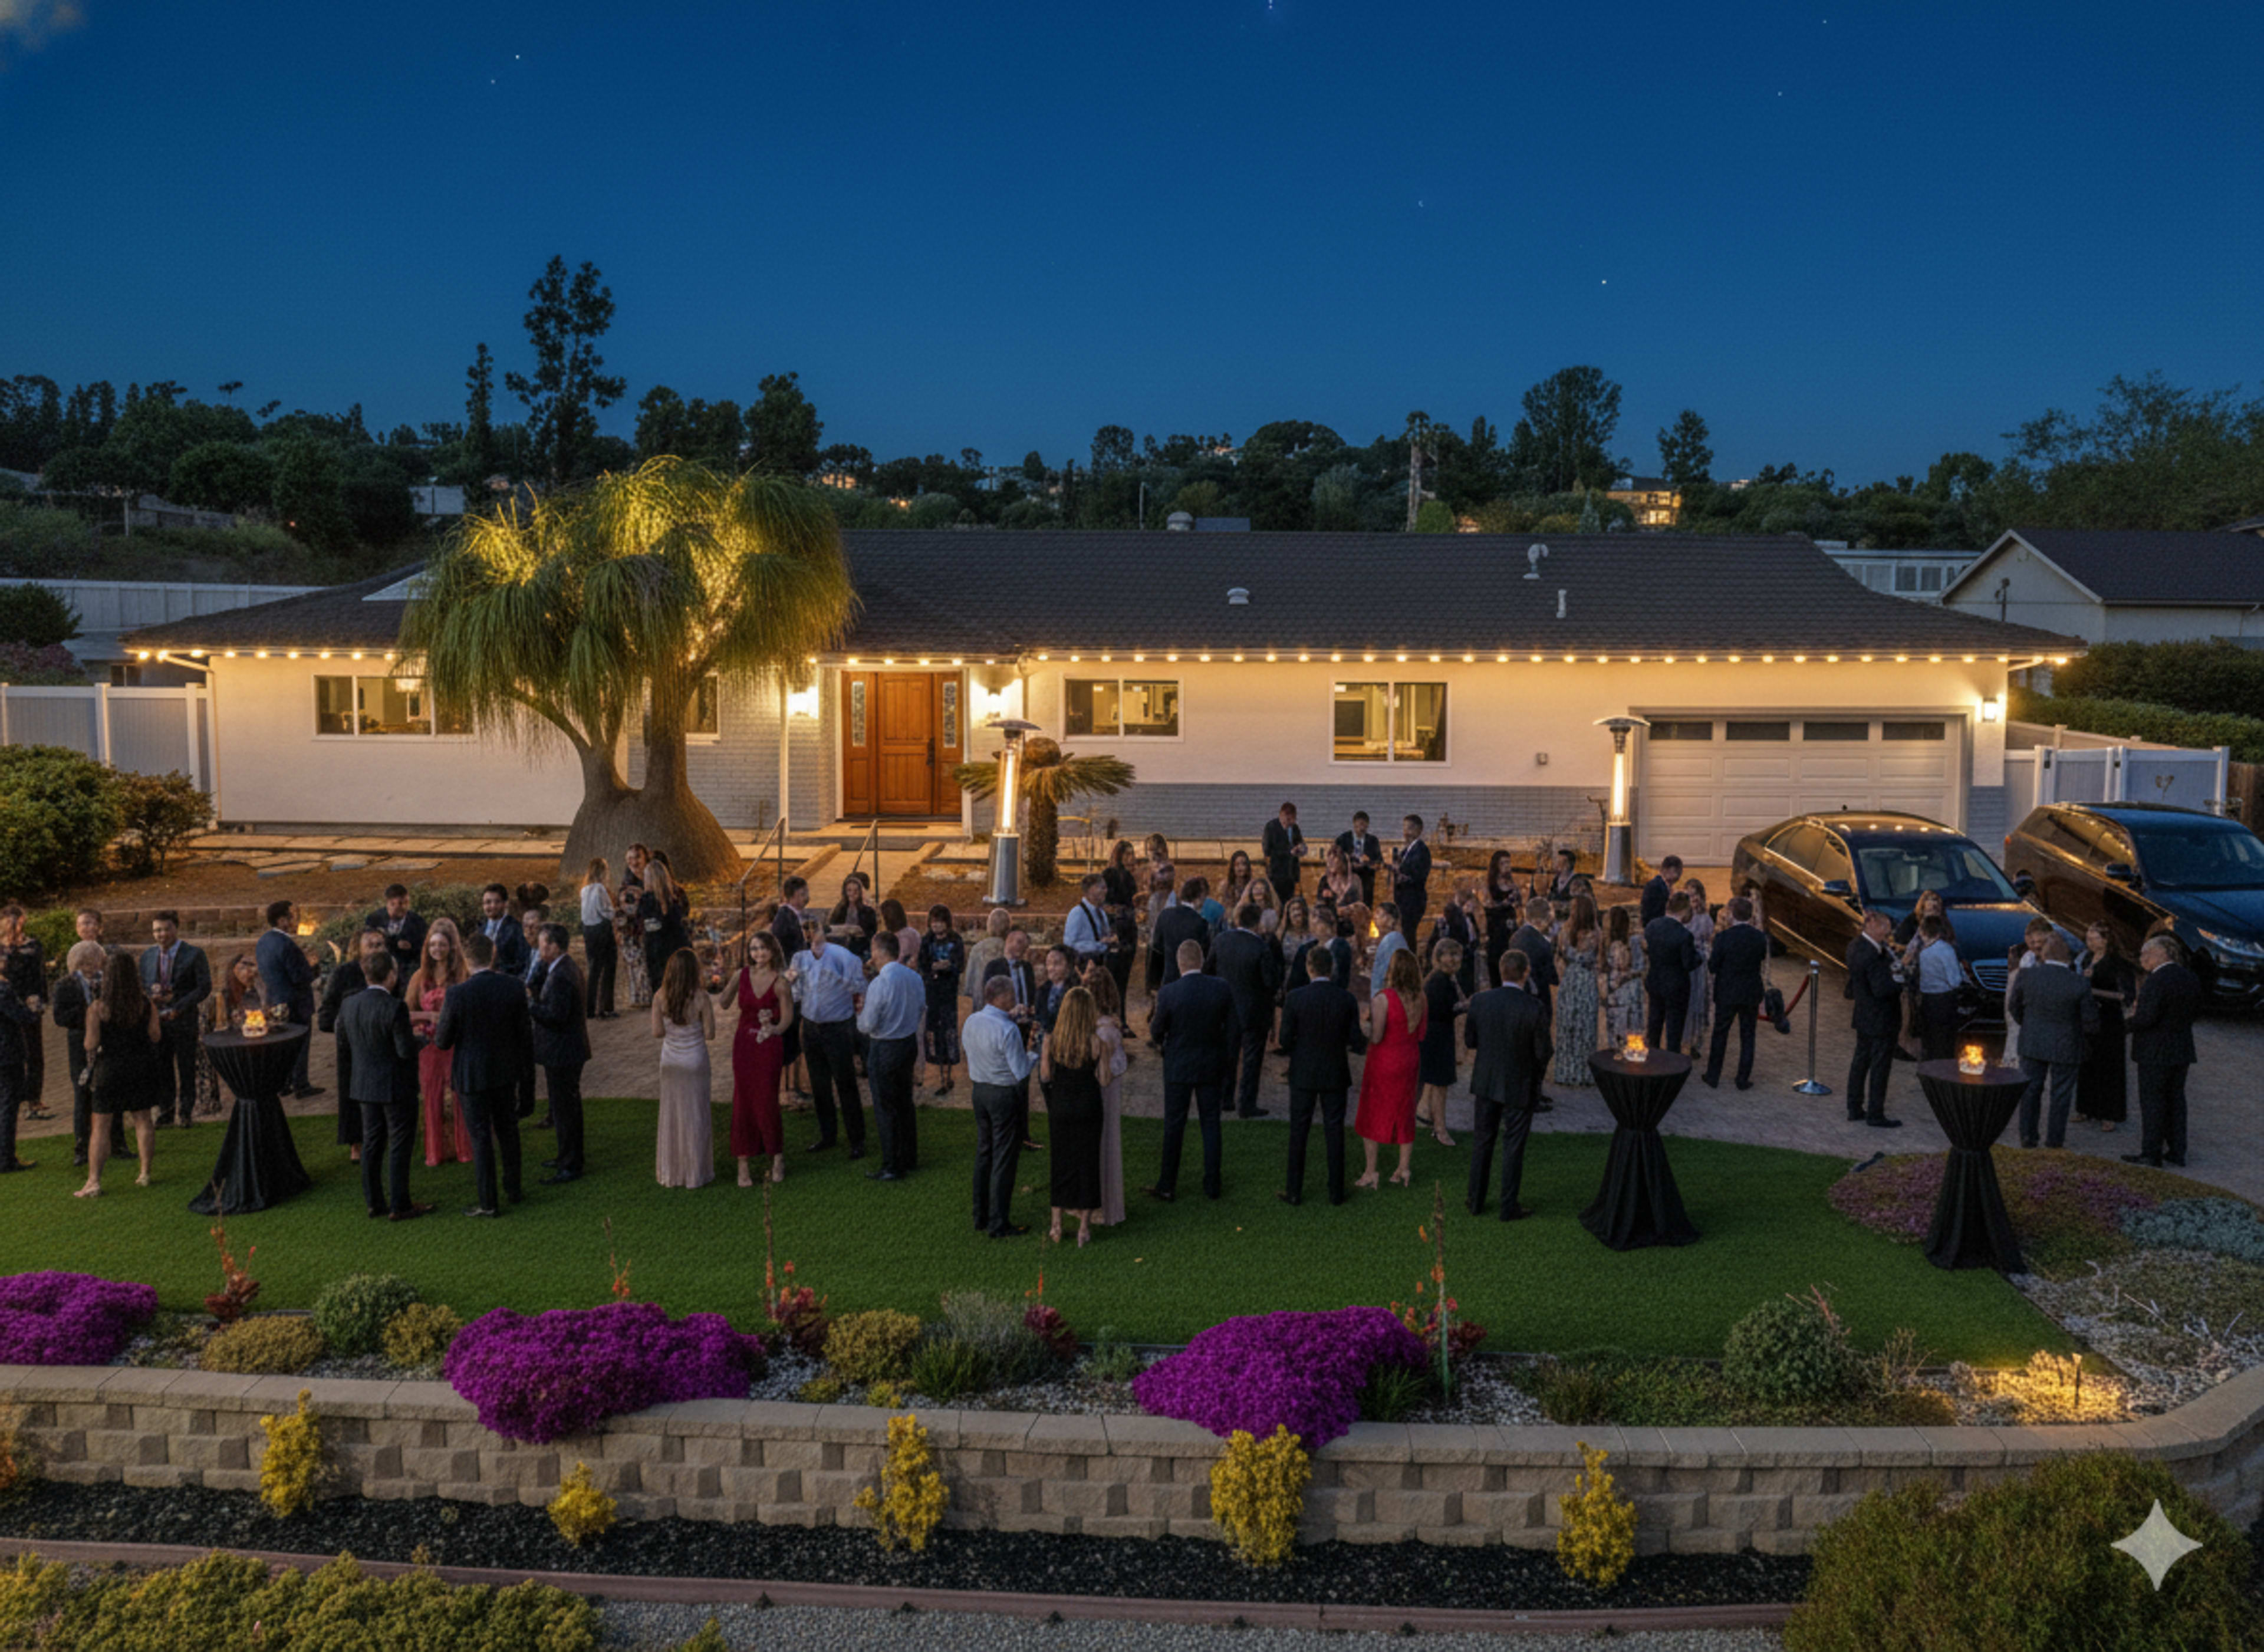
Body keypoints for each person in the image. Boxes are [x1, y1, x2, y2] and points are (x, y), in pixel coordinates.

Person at [433, 932, 534, 1217]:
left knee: (480, 1137)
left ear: (466, 959)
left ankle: (488, 1201)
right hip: (505, 1072)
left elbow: (443, 1041)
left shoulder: (457, 994)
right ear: (493, 955)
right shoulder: (513, 988)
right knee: (508, 1131)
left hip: (471, 1075)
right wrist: (527, 1082)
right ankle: (513, 1189)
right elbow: (526, 1038)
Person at [337, 950, 432, 1222]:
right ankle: (400, 1205)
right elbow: (404, 1051)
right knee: (400, 1144)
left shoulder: (349, 1005)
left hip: (365, 1085)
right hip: (395, 1086)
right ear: (391, 975)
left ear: (367, 975)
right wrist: (422, 1041)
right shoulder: (394, 1007)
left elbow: (344, 1043)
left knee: (372, 1143)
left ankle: (374, 1202)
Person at [1146, 937, 1239, 1202]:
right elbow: (1234, 1027)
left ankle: (1167, 1184)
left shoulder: (1169, 992)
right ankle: (1212, 1184)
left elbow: (1156, 1030)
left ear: (1179, 963)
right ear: (1201, 960)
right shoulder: (1221, 988)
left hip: (1178, 1066)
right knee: (1211, 1124)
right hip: (1211, 1064)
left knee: (1174, 1125)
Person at [1275, 943, 1367, 1206]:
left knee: (1299, 1131)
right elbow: (1355, 1040)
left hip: (1304, 1072)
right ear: (1332, 968)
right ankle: (1336, 1192)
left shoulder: (1295, 998)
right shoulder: (1346, 999)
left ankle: (1294, 1191)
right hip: (1335, 1071)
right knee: (1334, 1130)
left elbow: (1284, 1039)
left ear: (1309, 967)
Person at [1465, 950, 1551, 1220]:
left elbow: (1470, 1041)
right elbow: (1544, 1051)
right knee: (1514, 1145)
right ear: (1525, 973)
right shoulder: (1534, 1007)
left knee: (1483, 1142)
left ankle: (1476, 1200)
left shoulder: (1480, 1001)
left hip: (1487, 1080)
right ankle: (1508, 1205)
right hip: (1519, 1082)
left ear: (1501, 971)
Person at [77, 955, 159, 1195]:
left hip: (110, 1068)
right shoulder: (145, 1004)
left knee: (101, 1125)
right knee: (143, 1119)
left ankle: (94, 1181)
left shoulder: (98, 1007)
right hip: (141, 1066)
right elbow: (156, 1036)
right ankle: (144, 1172)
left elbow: (90, 1044)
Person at [2009, 936, 2097, 1151]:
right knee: (2061, 1095)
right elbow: (2090, 1021)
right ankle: (2054, 1141)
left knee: (2030, 1091)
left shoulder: (2027, 976)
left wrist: (2028, 1025)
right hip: (2066, 1043)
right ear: (2068, 958)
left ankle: (2028, 1137)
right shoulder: (2079, 983)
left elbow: (2014, 1007)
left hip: (2033, 1041)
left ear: (2044, 955)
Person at [965, 976, 1036, 1237]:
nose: (1016, 998)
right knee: (1004, 1158)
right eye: (1012, 994)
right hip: (1003, 1094)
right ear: (1002, 997)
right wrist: (1035, 1055)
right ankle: (998, 1222)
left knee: (985, 1152)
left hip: (979, 1091)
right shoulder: (1007, 1030)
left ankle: (980, 1215)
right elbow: (1020, 1072)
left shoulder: (972, 1021)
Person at [2123, 936, 2200, 1169]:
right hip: (2181, 1048)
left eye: (2146, 954)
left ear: (2162, 954)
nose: (2142, 959)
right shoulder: (2190, 978)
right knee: (2176, 1100)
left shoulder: (2156, 981)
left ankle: (2151, 1153)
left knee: (2153, 1102)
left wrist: (2125, 1025)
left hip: (2155, 1051)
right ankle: (2177, 1150)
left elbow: (2147, 1018)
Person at [791, 924, 867, 1158]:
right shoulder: (799, 958)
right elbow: (795, 991)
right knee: (819, 1084)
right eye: (807, 932)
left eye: (814, 931)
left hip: (837, 1028)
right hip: (811, 1027)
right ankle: (828, 1135)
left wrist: (840, 980)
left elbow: (860, 985)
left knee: (845, 1084)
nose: (810, 936)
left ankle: (857, 1140)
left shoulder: (845, 958)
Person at [1353, 947, 1426, 1189]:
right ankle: (1403, 1168)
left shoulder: (1383, 999)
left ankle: (1371, 1171)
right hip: (1410, 1058)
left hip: (1385, 1060)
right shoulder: (1421, 999)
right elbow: (1422, 1034)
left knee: (1372, 1111)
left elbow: (1376, 1037)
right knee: (1405, 1109)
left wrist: (1364, 1022)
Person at [1040, 986, 1107, 1246]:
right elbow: (1104, 1079)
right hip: (1089, 1106)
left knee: (1061, 1161)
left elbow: (1046, 1076)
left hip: (1061, 1107)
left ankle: (1056, 1226)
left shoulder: (1052, 1041)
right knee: (1088, 1163)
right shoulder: (1095, 1042)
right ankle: (1083, 1228)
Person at [857, 930, 924, 1182]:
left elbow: (867, 1025)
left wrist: (859, 1016)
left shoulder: (880, 984)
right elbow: (920, 1008)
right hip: (907, 1044)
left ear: (877, 951)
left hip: (885, 1047)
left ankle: (892, 1165)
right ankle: (909, 1156)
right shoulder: (914, 978)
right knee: (905, 1101)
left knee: (886, 1107)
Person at [728, 931, 794, 1187]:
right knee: (742, 1101)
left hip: (768, 1046)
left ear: (773, 951)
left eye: (763, 949)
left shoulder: (780, 982)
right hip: (744, 1044)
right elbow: (723, 1002)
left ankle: (777, 1157)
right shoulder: (741, 975)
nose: (759, 954)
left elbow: (787, 1018)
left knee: (766, 1100)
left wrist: (774, 1029)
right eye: (754, 949)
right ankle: (742, 1165)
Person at [317, 929, 388, 1160]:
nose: (377, 949)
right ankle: (355, 1143)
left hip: (382, 1045)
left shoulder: (389, 970)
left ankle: (382, 1134)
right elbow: (326, 1016)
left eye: (380, 944)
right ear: (358, 948)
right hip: (353, 1048)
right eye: (372, 945)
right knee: (351, 1094)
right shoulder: (344, 974)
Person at [406, 920, 473, 1167]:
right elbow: (407, 1012)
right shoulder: (419, 977)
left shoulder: (463, 975)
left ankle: (464, 1149)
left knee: (460, 1097)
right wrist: (428, 1018)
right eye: (433, 944)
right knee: (432, 1097)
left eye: (442, 944)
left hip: (457, 1045)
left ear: (451, 946)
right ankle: (435, 1153)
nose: (437, 949)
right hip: (430, 1047)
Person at [648, 949, 715, 1189]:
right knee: (696, 1114)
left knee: (672, 1114)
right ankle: (696, 1173)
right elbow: (710, 1034)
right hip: (695, 1059)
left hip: (671, 1061)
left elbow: (657, 1033)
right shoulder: (701, 997)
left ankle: (672, 1172)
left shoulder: (659, 997)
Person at [1207, 903, 1281, 1120]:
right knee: (1251, 1060)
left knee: (1228, 1055)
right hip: (1254, 1011)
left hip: (1226, 1008)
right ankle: (1246, 1104)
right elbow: (1271, 982)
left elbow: (1208, 970)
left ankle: (1225, 1098)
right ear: (1258, 923)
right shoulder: (1261, 948)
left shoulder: (1221, 941)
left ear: (1238, 920)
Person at [530, 924, 590, 1184]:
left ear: (554, 946)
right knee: (565, 1107)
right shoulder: (562, 968)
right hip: (565, 1050)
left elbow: (556, 1016)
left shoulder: (563, 974)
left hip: (563, 1052)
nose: (539, 948)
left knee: (565, 1110)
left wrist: (531, 1007)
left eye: (543, 944)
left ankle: (570, 1165)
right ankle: (567, 1155)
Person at [139, 912, 210, 1130]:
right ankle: (166, 1111)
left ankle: (186, 1111)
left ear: (176, 929)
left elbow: (204, 987)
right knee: (162, 1067)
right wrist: (151, 999)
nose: (161, 935)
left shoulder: (194, 954)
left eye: (166, 929)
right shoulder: (147, 956)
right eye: (157, 930)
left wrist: (179, 1006)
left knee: (186, 1066)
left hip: (183, 1019)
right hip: (157, 1021)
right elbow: (143, 985)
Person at [1844, 909, 1905, 1129]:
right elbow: (1881, 989)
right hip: (1881, 1018)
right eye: (1884, 930)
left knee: (1860, 1061)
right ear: (1873, 926)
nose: (1887, 935)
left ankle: (1854, 1106)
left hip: (1863, 1015)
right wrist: (1899, 982)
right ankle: (1875, 1113)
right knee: (1880, 1066)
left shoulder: (1855, 946)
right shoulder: (1873, 955)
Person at [255, 900, 321, 1098]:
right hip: (296, 1002)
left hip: (275, 1000)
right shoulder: (286, 944)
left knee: (283, 1046)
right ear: (282, 920)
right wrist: (314, 967)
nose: (297, 920)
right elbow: (300, 977)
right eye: (293, 916)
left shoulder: (264, 942)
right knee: (300, 1044)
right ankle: (301, 1085)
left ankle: (284, 1084)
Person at [2075, 923, 2137, 1134]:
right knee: (2087, 1063)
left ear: (2106, 940)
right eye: (2088, 938)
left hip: (2110, 1020)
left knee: (2109, 1067)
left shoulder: (2117, 964)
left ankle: (2109, 1114)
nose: (2090, 942)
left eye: (2094, 938)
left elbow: (2125, 996)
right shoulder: (2085, 958)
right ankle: (2086, 1108)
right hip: (2089, 1018)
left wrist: (2094, 990)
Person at [1703, 897, 1770, 1090]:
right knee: (1748, 1035)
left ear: (1733, 914)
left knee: (1720, 1033)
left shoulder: (1723, 938)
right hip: (1750, 991)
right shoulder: (1759, 938)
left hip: (1727, 991)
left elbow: (1713, 967)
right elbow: (1762, 958)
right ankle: (1742, 1078)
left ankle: (1713, 1075)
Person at [51, 942, 107, 1165]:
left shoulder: (108, 982)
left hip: (107, 1043)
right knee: (81, 1094)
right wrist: (89, 1010)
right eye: (83, 963)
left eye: (93, 962)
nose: (89, 967)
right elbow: (60, 1018)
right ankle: (82, 1147)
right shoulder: (65, 985)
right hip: (79, 1045)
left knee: (108, 1091)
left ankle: (117, 1143)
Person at [1088, 969, 1131, 1225]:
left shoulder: (1102, 1033)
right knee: (1108, 1144)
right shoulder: (1110, 1027)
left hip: (1101, 1092)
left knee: (1102, 1145)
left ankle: (1104, 1207)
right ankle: (1107, 1204)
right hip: (1110, 1091)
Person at [1415, 939, 1467, 1148]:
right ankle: (1441, 1130)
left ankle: (1434, 1122)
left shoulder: (1445, 979)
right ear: (1438, 958)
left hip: (1439, 1036)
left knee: (1439, 1085)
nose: (1454, 959)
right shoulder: (1438, 981)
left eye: (1457, 955)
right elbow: (1445, 1010)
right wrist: (1466, 1006)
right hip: (1436, 1039)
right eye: (1449, 955)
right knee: (1440, 1085)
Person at [1554, 894, 1604, 1089]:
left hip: (1570, 977)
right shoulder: (1596, 933)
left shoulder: (1565, 931)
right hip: (1587, 979)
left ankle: (1565, 1071)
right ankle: (1583, 1072)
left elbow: (1561, 954)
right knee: (1586, 1027)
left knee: (1568, 1027)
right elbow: (1600, 960)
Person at [1643, 892, 1700, 1055]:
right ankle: (1671, 1062)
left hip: (1655, 980)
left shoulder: (1652, 926)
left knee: (1654, 1022)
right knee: (1674, 1029)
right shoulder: (1684, 935)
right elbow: (1689, 963)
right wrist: (1700, 957)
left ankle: (1652, 1057)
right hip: (1676, 985)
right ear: (1684, 910)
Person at [916, 905, 965, 1095]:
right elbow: (922, 964)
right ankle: (938, 1076)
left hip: (948, 993)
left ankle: (948, 1075)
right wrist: (932, 968)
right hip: (932, 993)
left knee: (949, 1032)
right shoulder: (926, 940)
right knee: (933, 1033)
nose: (936, 926)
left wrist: (948, 966)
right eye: (933, 922)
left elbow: (959, 964)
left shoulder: (956, 940)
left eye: (940, 921)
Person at [0, 957, 39, 1173]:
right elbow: (20, 1016)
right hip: (7, 1053)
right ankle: (6, 1157)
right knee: (8, 1104)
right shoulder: (3, 989)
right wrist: (33, 1011)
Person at [1910, 915, 1963, 1062]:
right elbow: (1954, 981)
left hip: (1927, 1000)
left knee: (1930, 1041)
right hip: (1945, 1000)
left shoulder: (1923, 952)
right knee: (1945, 1042)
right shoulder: (1946, 950)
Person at [2000, 917, 2051, 1068]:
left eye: (2039, 943)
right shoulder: (2026, 959)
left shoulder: (2057, 958)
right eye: (2032, 942)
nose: (2035, 946)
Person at [635, 864, 690, 991]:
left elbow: (643, 923)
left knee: (659, 988)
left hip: (655, 949)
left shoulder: (646, 900)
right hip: (676, 947)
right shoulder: (674, 899)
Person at [364, 885, 428, 993]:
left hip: (407, 974)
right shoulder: (374, 920)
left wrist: (411, 947)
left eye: (405, 903)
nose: (403, 908)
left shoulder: (418, 922)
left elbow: (423, 949)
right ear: (389, 904)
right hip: (378, 971)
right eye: (397, 904)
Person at [1101, 841, 1141, 1004]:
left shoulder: (1130, 878)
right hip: (1114, 929)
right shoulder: (1109, 875)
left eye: (1132, 854)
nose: (1131, 858)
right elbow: (1103, 904)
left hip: (1129, 930)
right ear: (1120, 855)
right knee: (1112, 978)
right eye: (1127, 854)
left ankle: (1122, 1017)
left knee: (1124, 979)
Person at [1151, 880, 1211, 988]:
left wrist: (1153, 983)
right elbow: (1205, 957)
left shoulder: (1165, 915)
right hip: (1192, 984)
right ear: (1200, 896)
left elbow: (1156, 949)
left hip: (1168, 980)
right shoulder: (1201, 923)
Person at [578, 860, 618, 1018]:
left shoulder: (584, 890)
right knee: (609, 968)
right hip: (602, 929)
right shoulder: (600, 889)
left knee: (594, 969)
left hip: (588, 930)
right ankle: (606, 1007)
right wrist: (615, 912)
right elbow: (606, 911)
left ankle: (590, 1008)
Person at [1604, 904, 1646, 1046]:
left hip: (1621, 992)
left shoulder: (1619, 945)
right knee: (1629, 1028)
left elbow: (1623, 966)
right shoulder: (1635, 941)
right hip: (1632, 991)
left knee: (1621, 1029)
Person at [618, 844, 654, 1008]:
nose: (634, 862)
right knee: (636, 967)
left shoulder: (653, 879)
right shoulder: (626, 883)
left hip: (652, 930)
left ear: (646, 858)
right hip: (633, 931)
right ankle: (640, 999)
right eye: (630, 859)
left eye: (637, 857)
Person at [1682, 880, 1715, 1050]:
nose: (1693, 898)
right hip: (1686, 962)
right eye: (1689, 894)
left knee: (1700, 1000)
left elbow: (1709, 939)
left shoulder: (1705, 918)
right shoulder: (1683, 917)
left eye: (1696, 894)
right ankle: (1684, 1038)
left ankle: (1697, 1040)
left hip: (1700, 963)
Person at [1062, 874, 1115, 977]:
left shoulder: (1101, 913)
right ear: (1091, 890)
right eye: (1102, 888)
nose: (1106, 891)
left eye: (1106, 888)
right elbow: (1069, 944)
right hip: (1085, 969)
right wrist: (1098, 945)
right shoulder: (1077, 913)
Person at [1481, 852, 1521, 986]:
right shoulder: (1490, 885)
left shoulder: (1513, 885)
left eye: (1508, 862)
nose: (1507, 866)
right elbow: (1488, 905)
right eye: (1503, 863)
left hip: (1510, 928)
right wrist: (1505, 903)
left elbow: (1519, 907)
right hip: (1496, 928)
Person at [1391, 815, 1433, 938]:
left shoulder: (1421, 850)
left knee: (1409, 935)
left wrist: (1402, 874)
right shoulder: (1406, 851)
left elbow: (1418, 876)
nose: (1406, 833)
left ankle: (1410, 957)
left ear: (1419, 830)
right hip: (1404, 900)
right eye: (1404, 829)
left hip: (1413, 901)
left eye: (1409, 829)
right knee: (1405, 934)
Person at [827, 874, 880, 963]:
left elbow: (865, 931)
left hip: (861, 950)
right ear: (845, 892)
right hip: (840, 949)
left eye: (856, 891)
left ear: (860, 892)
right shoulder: (839, 910)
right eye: (849, 890)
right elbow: (831, 928)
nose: (852, 894)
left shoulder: (868, 911)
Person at [1334, 812, 1383, 909]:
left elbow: (1379, 864)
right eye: (1359, 824)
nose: (1361, 828)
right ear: (1354, 824)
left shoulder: (1373, 841)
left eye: (1364, 825)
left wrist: (1369, 862)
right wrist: (1348, 862)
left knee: (1365, 910)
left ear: (1368, 825)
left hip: (1366, 884)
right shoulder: (1343, 839)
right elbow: (1335, 861)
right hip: (1347, 882)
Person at [1261, 802, 1307, 903]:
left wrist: (1302, 848)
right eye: (1289, 819)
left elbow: (1300, 842)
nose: (1291, 822)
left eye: (1293, 819)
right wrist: (1289, 852)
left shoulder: (1295, 828)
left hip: (1292, 875)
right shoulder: (1271, 827)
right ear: (1282, 815)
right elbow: (1267, 851)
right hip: (1276, 875)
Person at [1367, 902, 1410, 998]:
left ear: (1390, 919)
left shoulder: (1393, 939)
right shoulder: (1384, 940)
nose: (1375, 917)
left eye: (1379, 914)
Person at [1221, 851, 1275, 921]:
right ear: (1233, 868)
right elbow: (1224, 908)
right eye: (1237, 865)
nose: (1241, 868)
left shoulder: (1253, 884)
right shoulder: (1226, 885)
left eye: (1244, 864)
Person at [1318, 844, 1363, 913]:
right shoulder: (1325, 881)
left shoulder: (1355, 880)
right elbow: (1319, 905)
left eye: (1334, 859)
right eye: (1329, 860)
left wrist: (1345, 910)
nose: (1330, 863)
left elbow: (1360, 905)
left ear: (1343, 860)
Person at [1640, 856, 1683, 927]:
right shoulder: (1655, 886)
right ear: (1666, 870)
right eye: (1677, 871)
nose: (1679, 875)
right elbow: (1650, 912)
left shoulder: (1666, 887)